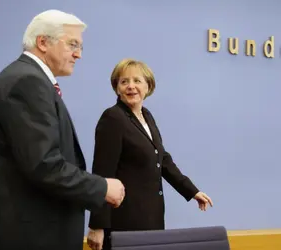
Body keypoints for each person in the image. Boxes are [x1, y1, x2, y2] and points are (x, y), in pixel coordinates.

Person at [0, 10, 125, 250]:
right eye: (72, 44)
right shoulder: (27, 83)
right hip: (25, 236)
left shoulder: (28, 79)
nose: (78, 54)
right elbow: (43, 165)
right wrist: (101, 188)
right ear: (42, 42)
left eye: (80, 46)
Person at [87, 58, 213, 250]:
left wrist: (191, 191)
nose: (131, 86)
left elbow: (162, 158)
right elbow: (102, 174)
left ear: (148, 86)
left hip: (151, 219)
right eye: (124, 82)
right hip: (123, 224)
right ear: (117, 87)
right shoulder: (112, 118)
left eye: (137, 81)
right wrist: (97, 225)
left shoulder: (147, 116)